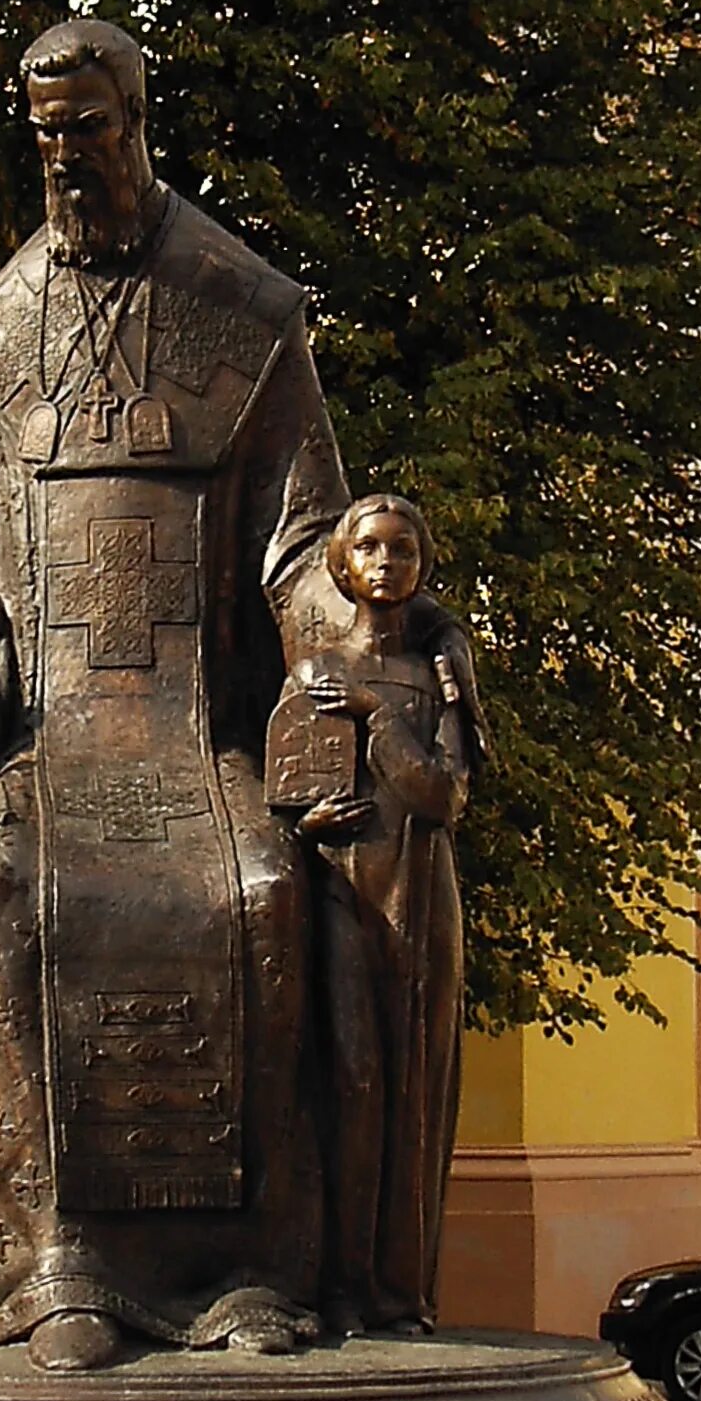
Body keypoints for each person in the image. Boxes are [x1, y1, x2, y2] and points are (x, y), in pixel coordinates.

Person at [0, 19, 350, 1369]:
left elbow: (305, 549)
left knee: (262, 892)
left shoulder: (245, 311)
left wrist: (335, 662)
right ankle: (51, 1270)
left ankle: (240, 1274)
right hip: (50, 741)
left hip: (190, 740)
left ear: (138, 118)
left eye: (88, 128)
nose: (64, 158)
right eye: (41, 132)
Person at [297, 495, 477, 1333]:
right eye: (368, 547)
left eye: (403, 549)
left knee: (413, 1086)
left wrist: (378, 718)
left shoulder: (439, 678)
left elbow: (443, 794)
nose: (385, 563)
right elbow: (286, 777)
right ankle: (333, 1283)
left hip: (418, 892)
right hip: (340, 888)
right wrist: (299, 823)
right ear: (342, 561)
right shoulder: (313, 669)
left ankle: (401, 1294)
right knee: (346, 1080)